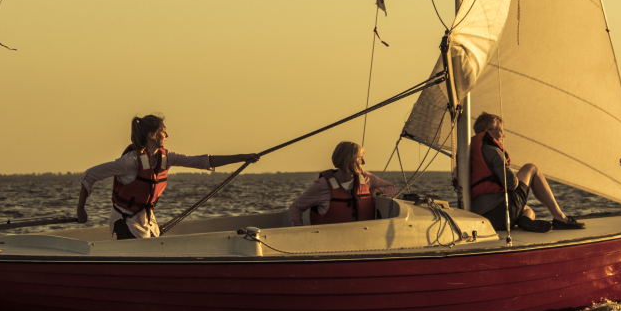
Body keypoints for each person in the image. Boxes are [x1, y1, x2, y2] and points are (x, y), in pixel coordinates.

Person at [76, 114, 260, 240]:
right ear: (151, 135)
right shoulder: (130, 161)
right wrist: (81, 209)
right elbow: (90, 175)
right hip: (126, 222)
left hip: (148, 221)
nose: (167, 134)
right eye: (164, 131)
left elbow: (203, 161)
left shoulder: (167, 157)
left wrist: (242, 157)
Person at [468, 112, 585, 232]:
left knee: (528, 210)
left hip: (481, 218)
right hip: (502, 214)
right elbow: (511, 184)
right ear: (488, 131)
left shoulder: (467, 154)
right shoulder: (493, 151)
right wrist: (519, 177)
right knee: (531, 168)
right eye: (500, 130)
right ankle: (560, 218)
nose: (503, 135)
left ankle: (525, 219)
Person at [287, 141, 399, 226]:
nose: (364, 162)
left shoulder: (366, 178)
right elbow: (295, 207)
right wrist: (300, 233)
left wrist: (376, 190)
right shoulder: (322, 186)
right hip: (331, 245)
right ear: (348, 160)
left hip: (363, 241)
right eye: (360, 158)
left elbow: (392, 188)